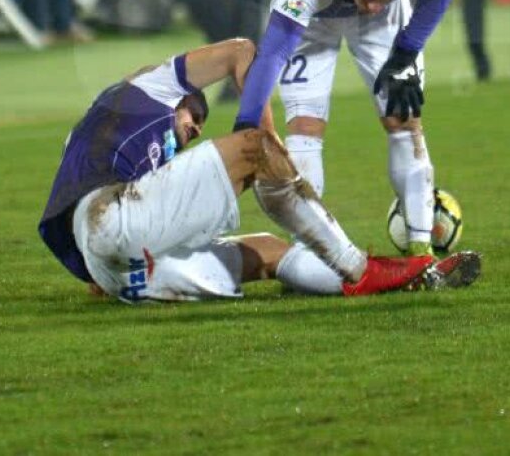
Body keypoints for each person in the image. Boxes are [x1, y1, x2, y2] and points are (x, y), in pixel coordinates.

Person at [37, 37, 480, 303]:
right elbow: (242, 52)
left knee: (268, 250)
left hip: (122, 273)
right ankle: (359, 268)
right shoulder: (146, 90)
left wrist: (96, 274)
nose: (193, 130)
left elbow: (78, 222)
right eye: (193, 115)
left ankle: (410, 280)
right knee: (254, 146)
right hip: (112, 223)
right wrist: (265, 142)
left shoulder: (102, 149)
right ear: (175, 96)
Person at [234, 0, 455, 262]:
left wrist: (407, 50)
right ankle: (309, 252)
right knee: (304, 125)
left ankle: (421, 250)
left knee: (403, 117)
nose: (370, 5)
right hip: (313, 20)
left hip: (384, 26)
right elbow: (273, 52)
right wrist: (245, 125)